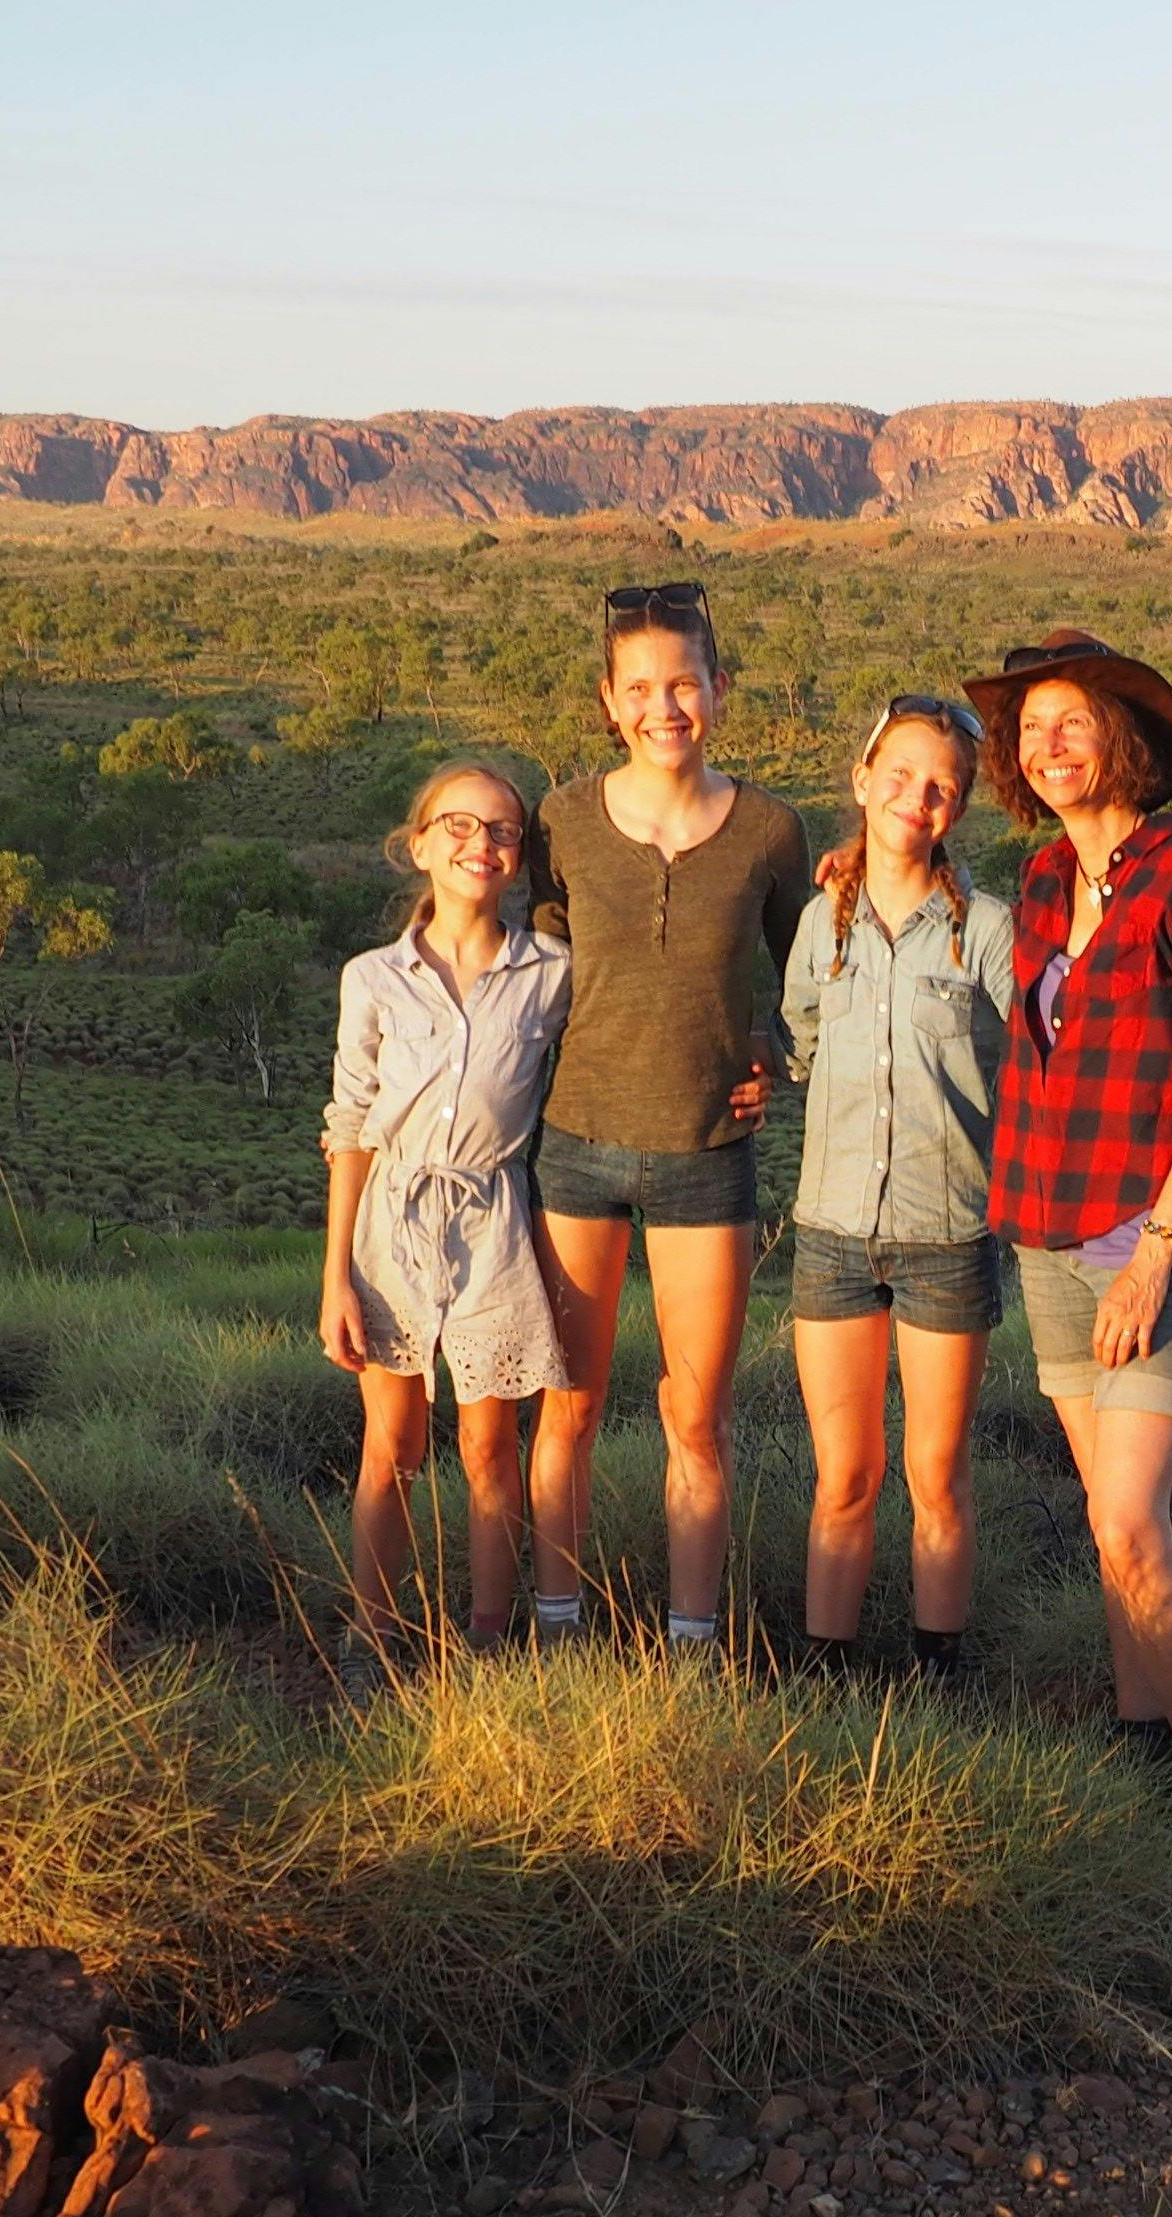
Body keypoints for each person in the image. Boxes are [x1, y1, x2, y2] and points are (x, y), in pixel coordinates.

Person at [969, 631, 1172, 1823]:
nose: (1048, 748)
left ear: (1124, 742)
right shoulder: (1041, 883)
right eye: (1030, 729)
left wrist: (1157, 1249)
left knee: (1134, 1524)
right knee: (1107, 1526)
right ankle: (1141, 1751)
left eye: (1071, 724)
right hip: (1044, 1220)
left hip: (1148, 1236)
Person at [523, 581, 812, 1651]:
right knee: (571, 1409)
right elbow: (535, 971)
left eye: (683, 684)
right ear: (609, 700)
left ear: (720, 691)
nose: (664, 707)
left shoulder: (772, 833)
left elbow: (814, 975)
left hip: (706, 1156)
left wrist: (776, 1061)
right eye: (639, 687)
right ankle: (558, 1628)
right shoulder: (563, 822)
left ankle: (693, 1647)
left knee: (696, 1420)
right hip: (576, 1149)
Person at [318, 759, 572, 1654]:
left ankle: (488, 1638)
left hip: (496, 1219)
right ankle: (373, 1633)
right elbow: (349, 1124)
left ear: (519, 855)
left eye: (502, 830)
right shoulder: (373, 978)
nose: (482, 843)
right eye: (459, 826)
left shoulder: (550, 974)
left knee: (488, 1448)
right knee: (390, 1447)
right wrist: (336, 1277)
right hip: (391, 1220)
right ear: (419, 844)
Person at [779, 696, 1009, 1676]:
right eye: (902, 776)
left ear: (957, 810)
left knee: (935, 1477)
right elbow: (801, 1040)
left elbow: (1042, 1059)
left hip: (945, 1233)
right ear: (864, 779)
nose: (919, 799)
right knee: (845, 1477)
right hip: (831, 1233)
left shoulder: (988, 931)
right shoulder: (819, 922)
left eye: (943, 789)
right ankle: (826, 1678)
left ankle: (936, 1678)